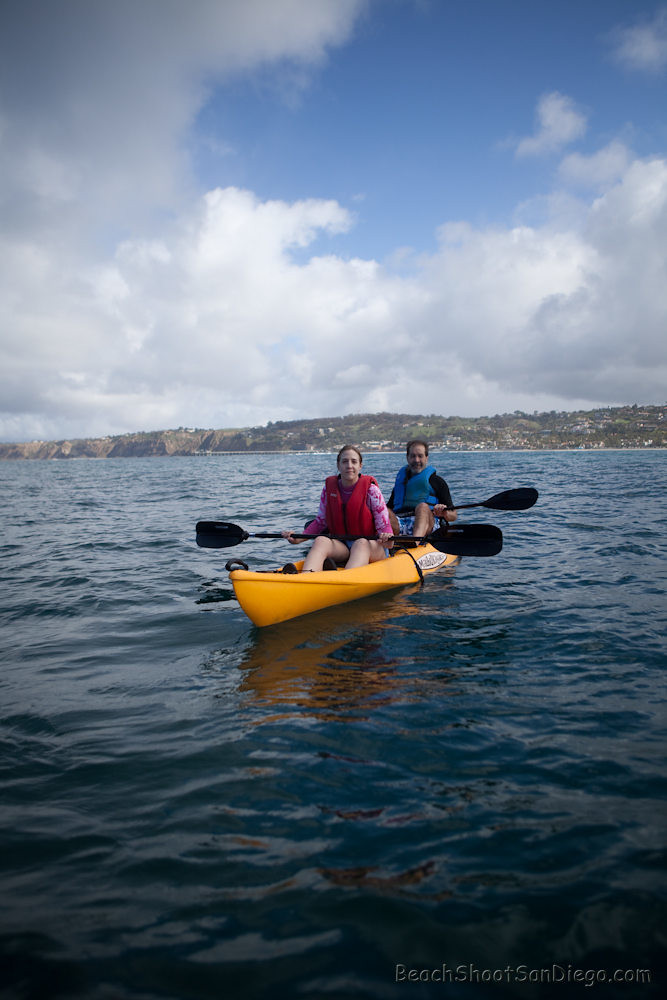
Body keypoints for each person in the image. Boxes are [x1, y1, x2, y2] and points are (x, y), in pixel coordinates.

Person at [282, 445, 394, 572]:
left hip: (372, 546)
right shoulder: (328, 489)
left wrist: (387, 537)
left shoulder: (371, 490)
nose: (349, 466)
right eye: (344, 461)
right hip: (343, 546)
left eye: (354, 461)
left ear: (360, 466)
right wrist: (298, 538)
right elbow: (320, 522)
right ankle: (307, 576)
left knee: (361, 543)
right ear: (338, 466)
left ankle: (346, 580)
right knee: (321, 541)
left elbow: (384, 524)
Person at [387, 438, 458, 539]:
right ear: (407, 458)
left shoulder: (437, 481)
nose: (416, 460)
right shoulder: (400, 483)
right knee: (384, 510)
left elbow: (454, 515)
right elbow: (388, 509)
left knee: (422, 507)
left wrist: (445, 513)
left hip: (427, 524)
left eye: (420, 456)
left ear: (426, 458)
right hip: (401, 524)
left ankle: (415, 541)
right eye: (413, 456)